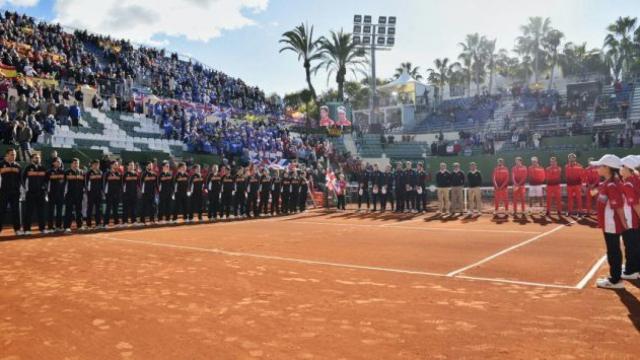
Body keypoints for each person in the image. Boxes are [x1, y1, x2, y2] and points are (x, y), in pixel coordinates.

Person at [590, 155, 628, 289]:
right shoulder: (608, 183)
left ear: (608, 168)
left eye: (600, 166)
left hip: (611, 223)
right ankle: (615, 277)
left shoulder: (612, 184)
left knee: (613, 251)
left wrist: (624, 224)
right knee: (613, 250)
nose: (597, 168)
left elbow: (617, 206)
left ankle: (615, 280)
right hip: (608, 223)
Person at [619, 156, 640, 280]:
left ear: (627, 168)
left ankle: (630, 271)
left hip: (630, 220)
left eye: (622, 167)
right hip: (634, 220)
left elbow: (635, 203)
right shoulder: (636, 178)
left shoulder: (628, 183)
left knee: (630, 245)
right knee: (636, 245)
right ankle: (636, 267)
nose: (620, 169)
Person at [22, 153, 47, 235]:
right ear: (32, 159)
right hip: (30, 194)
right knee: (29, 212)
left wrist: (45, 190)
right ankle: (27, 229)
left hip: (41, 193)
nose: (38, 159)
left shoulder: (43, 168)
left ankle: (42, 229)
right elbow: (23, 181)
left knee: (41, 212)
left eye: (39, 158)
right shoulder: (27, 168)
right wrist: (25, 192)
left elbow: (46, 181)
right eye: (36, 158)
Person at [0, 149, 21, 235]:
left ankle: (17, 230)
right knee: (1, 211)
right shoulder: (1, 164)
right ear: (7, 155)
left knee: (16, 211)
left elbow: (20, 180)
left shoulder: (18, 166)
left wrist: (20, 191)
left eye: (15, 154)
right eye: (12, 154)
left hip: (15, 192)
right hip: (3, 192)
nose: (14, 156)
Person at [63, 158, 85, 233]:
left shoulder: (82, 172)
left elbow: (83, 184)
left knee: (79, 210)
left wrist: (83, 193)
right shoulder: (67, 172)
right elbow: (63, 184)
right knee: (68, 211)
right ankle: (67, 227)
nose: (76, 165)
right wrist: (65, 193)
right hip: (69, 195)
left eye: (77, 163)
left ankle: (80, 225)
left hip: (79, 195)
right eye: (75, 163)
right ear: (71, 164)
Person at [46, 157, 65, 233]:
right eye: (57, 161)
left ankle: (58, 226)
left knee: (59, 211)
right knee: (51, 211)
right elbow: (46, 183)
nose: (59, 163)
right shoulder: (49, 172)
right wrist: (46, 193)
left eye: (60, 161)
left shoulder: (63, 172)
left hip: (60, 194)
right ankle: (50, 227)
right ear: (53, 163)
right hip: (51, 194)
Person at [103, 160, 123, 228]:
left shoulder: (119, 174)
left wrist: (120, 193)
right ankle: (105, 223)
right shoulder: (106, 173)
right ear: (111, 165)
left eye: (117, 164)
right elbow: (104, 184)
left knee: (115, 209)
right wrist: (104, 193)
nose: (117, 166)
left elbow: (121, 185)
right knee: (108, 209)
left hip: (116, 194)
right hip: (109, 194)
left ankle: (116, 223)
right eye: (115, 164)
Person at [85, 159, 103, 229]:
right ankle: (88, 224)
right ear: (92, 165)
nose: (96, 166)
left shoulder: (101, 172)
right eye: (95, 164)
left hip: (98, 193)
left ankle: (98, 223)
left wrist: (102, 191)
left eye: (97, 164)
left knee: (98, 209)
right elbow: (86, 183)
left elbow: (102, 184)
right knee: (90, 208)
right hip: (91, 193)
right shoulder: (88, 173)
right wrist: (87, 192)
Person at [122, 161, 139, 226]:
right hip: (126, 194)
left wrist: (138, 192)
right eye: (130, 165)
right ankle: (125, 222)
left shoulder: (136, 174)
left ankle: (134, 221)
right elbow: (122, 184)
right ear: (128, 166)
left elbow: (138, 184)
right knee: (126, 208)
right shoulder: (125, 174)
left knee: (134, 208)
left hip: (134, 193)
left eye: (133, 165)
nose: (132, 166)